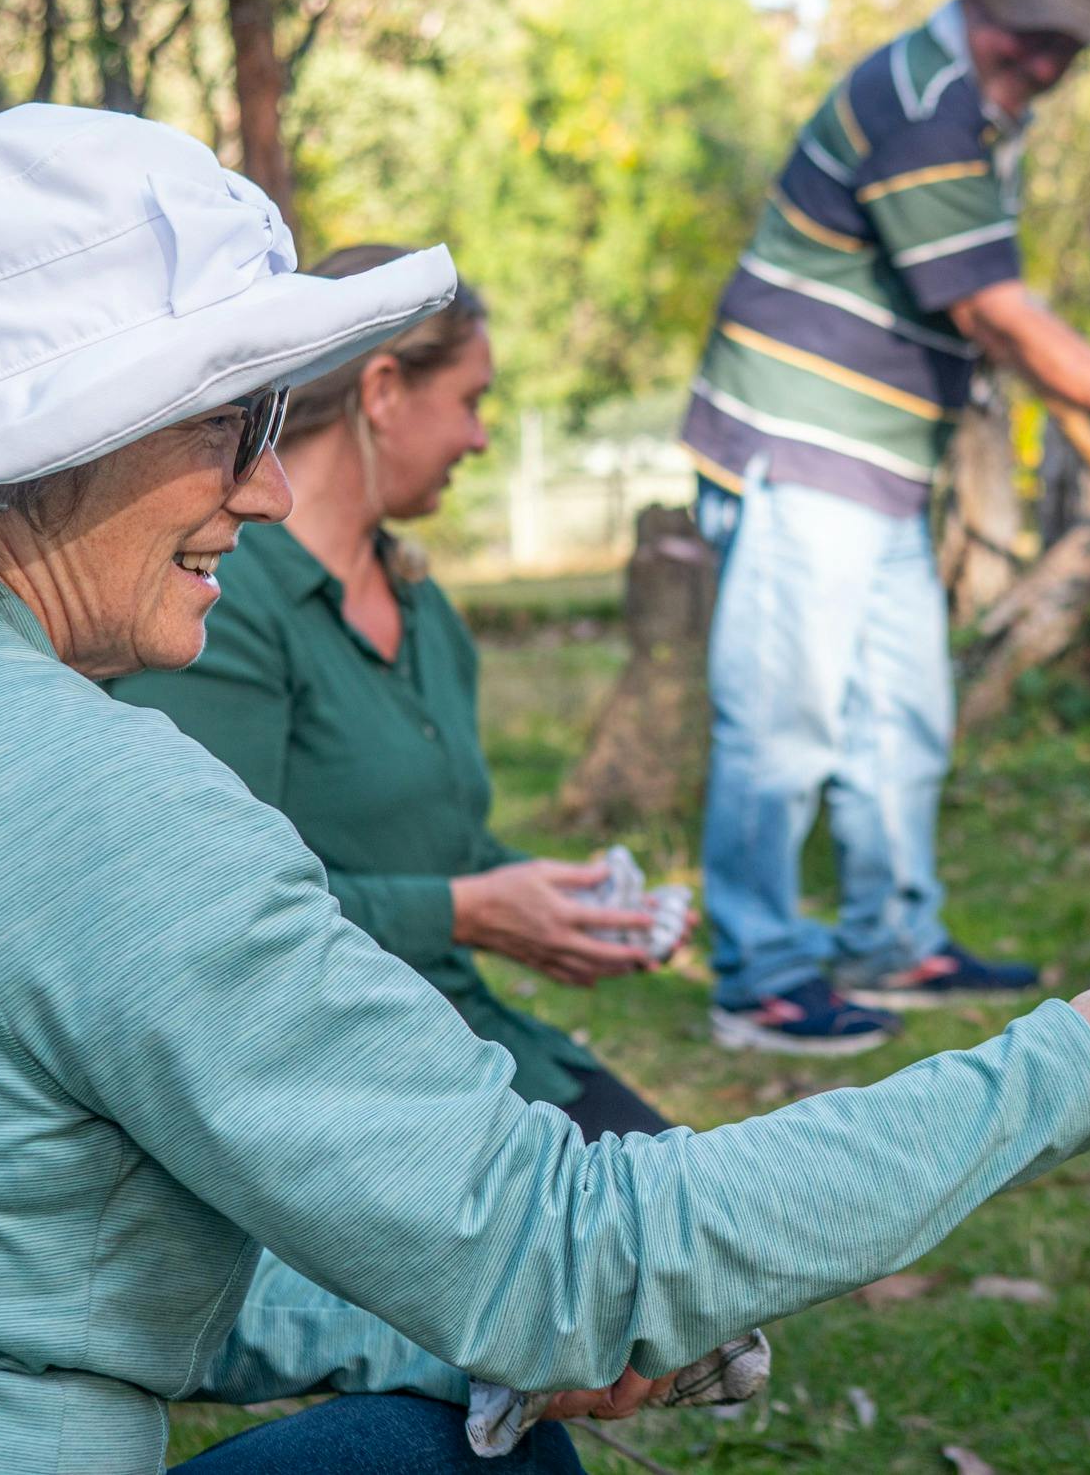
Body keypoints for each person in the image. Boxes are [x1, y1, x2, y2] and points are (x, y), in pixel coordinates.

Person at [0, 104, 1090, 1475]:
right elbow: (578, 1263)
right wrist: (1085, 1053)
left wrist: (436, 1339)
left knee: (445, 1425)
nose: (266, 490)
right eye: (231, 424)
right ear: (49, 445)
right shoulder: (86, 801)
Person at [680, 0, 1090, 1054]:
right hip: (802, 440)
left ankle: (892, 943)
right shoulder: (925, 104)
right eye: (1033, 37)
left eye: (1068, 49)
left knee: (902, 718)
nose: (1047, 65)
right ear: (982, 2)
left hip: (882, 464)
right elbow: (995, 311)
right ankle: (758, 977)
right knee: (781, 726)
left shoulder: (975, 112)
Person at [111, 248, 672, 1135]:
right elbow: (211, 906)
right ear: (382, 392)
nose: (480, 439)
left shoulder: (425, 609)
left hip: (472, 1039)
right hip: (336, 1078)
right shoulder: (221, 606)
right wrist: (467, 913)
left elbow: (431, 847)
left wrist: (560, 905)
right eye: (471, 402)